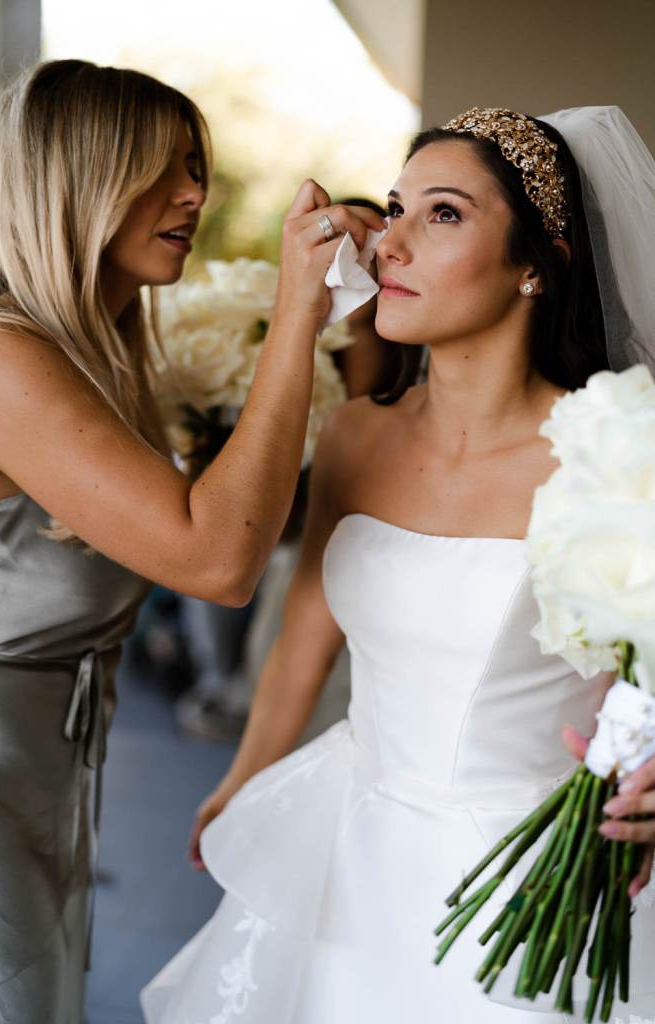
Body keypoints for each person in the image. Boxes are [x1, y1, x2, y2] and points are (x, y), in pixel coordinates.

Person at [141, 107, 655, 1023]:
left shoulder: (618, 450)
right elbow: (304, 634)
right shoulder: (353, 433)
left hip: (531, 871)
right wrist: (242, 778)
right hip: (349, 839)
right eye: (393, 207)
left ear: (539, 262)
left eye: (444, 214)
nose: (391, 244)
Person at [0, 59, 384, 1024]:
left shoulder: (99, 361)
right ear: (75, 183)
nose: (196, 195)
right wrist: (296, 312)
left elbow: (248, 527)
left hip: (44, 780)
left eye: (195, 168)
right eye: (160, 170)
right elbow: (216, 562)